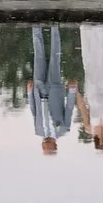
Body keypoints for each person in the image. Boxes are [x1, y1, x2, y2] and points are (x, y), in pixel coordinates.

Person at [29, 24, 74, 154]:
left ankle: (36, 26)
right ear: (54, 146)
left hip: (39, 91)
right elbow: (69, 108)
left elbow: (34, 111)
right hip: (54, 90)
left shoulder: (38, 131)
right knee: (55, 57)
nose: (44, 148)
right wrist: (71, 91)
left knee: (38, 56)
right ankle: (54, 26)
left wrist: (29, 92)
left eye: (43, 149)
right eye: (47, 150)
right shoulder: (64, 129)